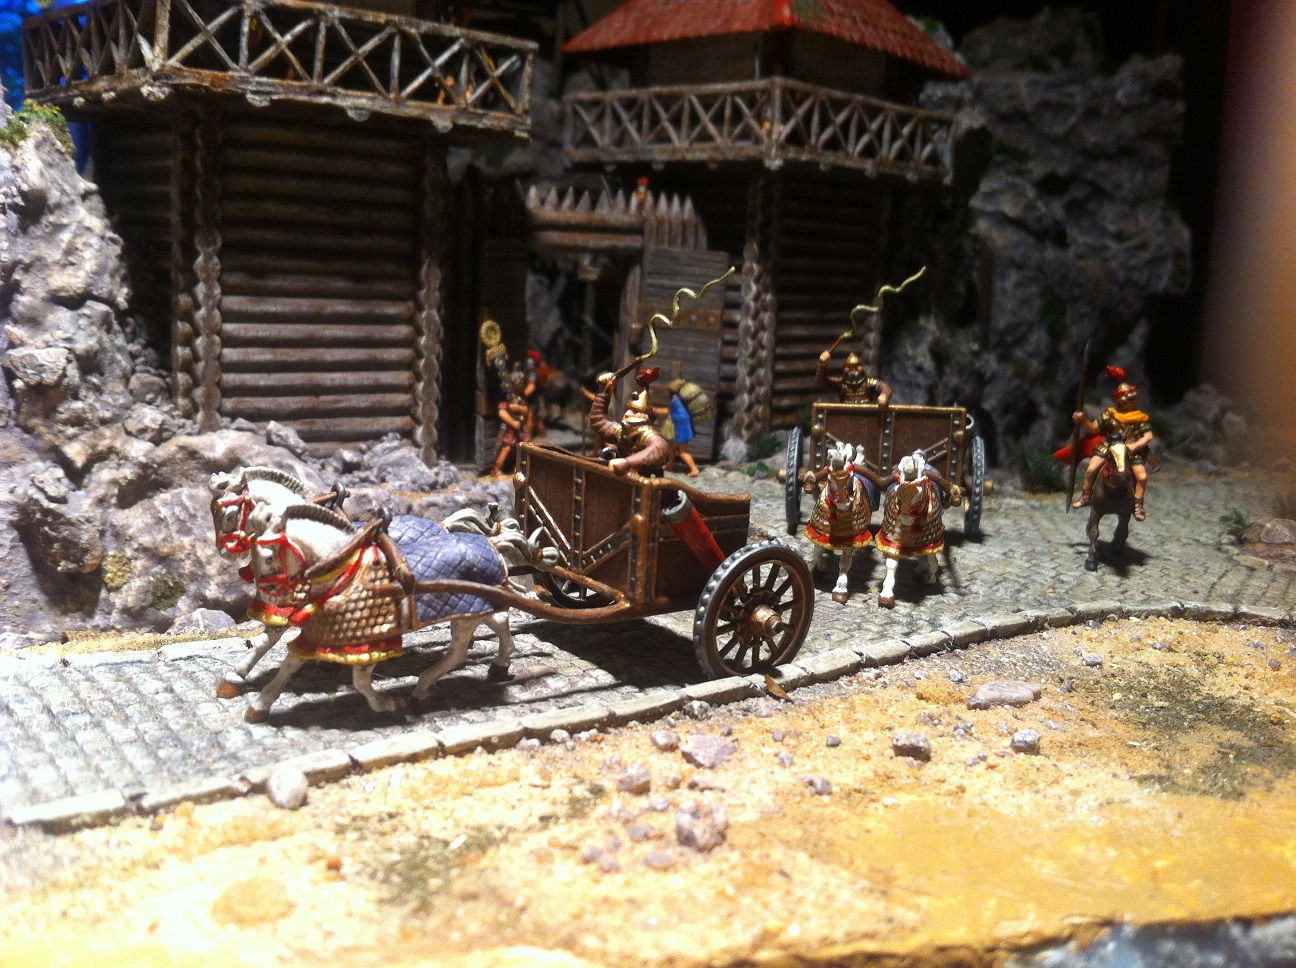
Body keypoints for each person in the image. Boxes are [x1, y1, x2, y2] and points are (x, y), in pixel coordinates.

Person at [1071, 366, 1154, 521]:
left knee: (1142, 477)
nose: (1133, 401)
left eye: (1133, 399)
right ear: (1120, 400)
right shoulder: (1109, 414)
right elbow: (1093, 429)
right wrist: (1082, 420)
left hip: (1131, 449)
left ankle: (1137, 505)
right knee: (1091, 469)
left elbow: (1148, 436)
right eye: (1129, 399)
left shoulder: (1139, 417)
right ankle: (1086, 496)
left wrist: (1135, 446)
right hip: (1108, 446)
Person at [588, 369, 670, 477]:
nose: (627, 414)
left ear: (644, 416)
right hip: (623, 476)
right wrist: (604, 391)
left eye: (635, 412)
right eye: (627, 410)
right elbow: (598, 421)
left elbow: (659, 448)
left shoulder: (648, 435)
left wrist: (627, 462)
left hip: (644, 478)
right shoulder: (622, 431)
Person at [817, 348, 892, 405]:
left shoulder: (869, 382)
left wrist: (884, 395)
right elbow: (822, 382)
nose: (853, 370)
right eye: (849, 367)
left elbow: (885, 388)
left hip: (866, 414)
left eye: (856, 367)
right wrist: (822, 366)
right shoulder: (841, 383)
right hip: (846, 415)